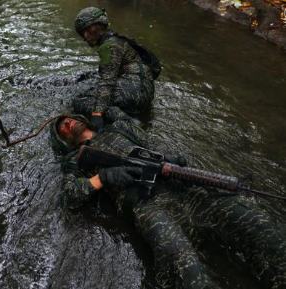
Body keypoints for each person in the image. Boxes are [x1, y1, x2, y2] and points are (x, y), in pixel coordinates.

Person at [50, 113, 286, 289]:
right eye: (63, 128)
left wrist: (169, 160)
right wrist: (101, 177)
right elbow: (70, 196)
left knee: (260, 228)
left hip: (182, 187)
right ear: (65, 141)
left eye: (68, 119)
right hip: (150, 207)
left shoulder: (118, 128)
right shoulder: (75, 160)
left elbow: (150, 143)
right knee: (186, 268)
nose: (68, 123)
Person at [73, 7, 161, 130]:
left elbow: (107, 82)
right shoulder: (119, 40)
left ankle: (129, 122)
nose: (85, 36)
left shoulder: (108, 47)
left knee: (80, 101)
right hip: (147, 92)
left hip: (134, 94)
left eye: (87, 30)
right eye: (83, 33)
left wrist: (97, 113)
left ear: (98, 26)